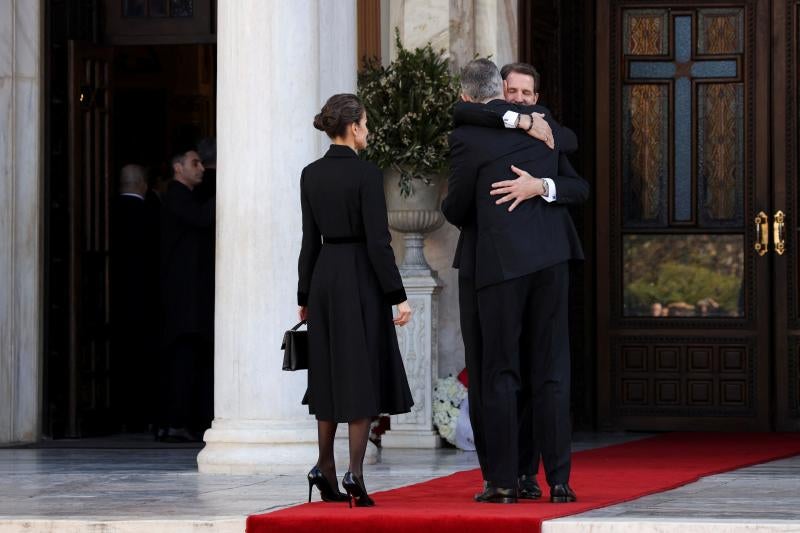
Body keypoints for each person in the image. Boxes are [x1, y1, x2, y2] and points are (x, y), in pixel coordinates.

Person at [442, 59, 588, 504]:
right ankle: (556, 480)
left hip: (502, 265)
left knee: (500, 372)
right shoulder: (539, 128)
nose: (521, 100)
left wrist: (541, 186)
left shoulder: (474, 135)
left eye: (528, 94)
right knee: (550, 371)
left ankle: (504, 481)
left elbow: (455, 208)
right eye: (513, 92)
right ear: (500, 90)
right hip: (547, 259)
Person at [297, 93, 414, 507]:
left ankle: (323, 466)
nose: (369, 130)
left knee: (328, 372)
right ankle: (355, 474)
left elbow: (309, 240)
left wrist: (304, 294)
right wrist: (398, 296)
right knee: (361, 372)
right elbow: (379, 243)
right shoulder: (366, 174)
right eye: (366, 123)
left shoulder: (310, 174)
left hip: (324, 278)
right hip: (359, 277)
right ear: (353, 127)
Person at [159, 148, 215, 441]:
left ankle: (187, 420)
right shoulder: (176, 196)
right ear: (178, 167)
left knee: (193, 360)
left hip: (192, 299)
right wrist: (227, 188)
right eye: (195, 163)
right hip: (183, 300)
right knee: (183, 360)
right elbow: (202, 219)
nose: (202, 168)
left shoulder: (187, 197)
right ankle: (175, 422)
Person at [111, 164, 160, 431]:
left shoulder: (105, 211)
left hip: (110, 300)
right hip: (144, 300)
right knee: (142, 359)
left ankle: (118, 415)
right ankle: (140, 416)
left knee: (119, 357)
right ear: (143, 184)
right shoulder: (150, 213)